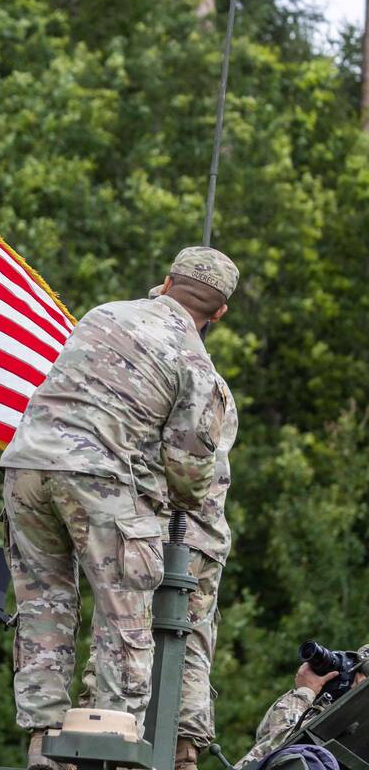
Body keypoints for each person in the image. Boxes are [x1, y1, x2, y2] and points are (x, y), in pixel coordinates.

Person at [0, 247, 239, 770]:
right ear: (219, 312)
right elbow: (189, 470)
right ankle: (109, 747)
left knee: (44, 609)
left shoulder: (102, 314)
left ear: (165, 281)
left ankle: (43, 742)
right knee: (123, 618)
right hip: (101, 481)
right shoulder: (197, 364)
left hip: (26, 468)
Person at [81, 285, 241, 770]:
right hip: (184, 526)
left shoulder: (186, 374)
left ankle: (145, 743)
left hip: (176, 524)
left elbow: (184, 467)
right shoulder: (200, 374)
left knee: (129, 629)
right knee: (177, 637)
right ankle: (174, 748)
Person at [237, 647, 369, 768]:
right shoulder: (322, 709)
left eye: (363, 673)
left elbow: (282, 746)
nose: (353, 678)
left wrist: (305, 692)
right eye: (354, 670)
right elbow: (265, 738)